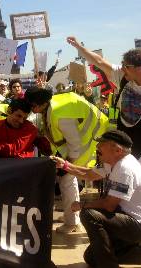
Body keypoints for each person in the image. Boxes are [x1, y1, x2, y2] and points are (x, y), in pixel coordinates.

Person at [67, 36, 141, 244]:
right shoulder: (123, 76)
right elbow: (98, 61)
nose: (123, 68)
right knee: (109, 175)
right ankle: (119, 220)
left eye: (127, 66)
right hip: (121, 139)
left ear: (139, 69)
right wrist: (80, 46)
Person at [50, 130, 141, 268]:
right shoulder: (112, 162)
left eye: (102, 144)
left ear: (118, 150)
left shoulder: (125, 168)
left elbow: (109, 205)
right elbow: (88, 174)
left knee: (90, 214)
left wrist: (83, 204)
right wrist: (64, 165)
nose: (97, 147)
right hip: (129, 220)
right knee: (90, 257)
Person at [25, 87, 110, 234]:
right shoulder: (52, 107)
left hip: (86, 141)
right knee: (68, 180)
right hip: (79, 141)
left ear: (42, 104)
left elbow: (74, 144)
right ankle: (71, 216)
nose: (32, 110)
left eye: (33, 106)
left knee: (66, 180)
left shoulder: (60, 114)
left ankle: (72, 223)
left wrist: (67, 165)